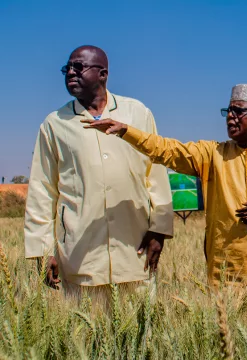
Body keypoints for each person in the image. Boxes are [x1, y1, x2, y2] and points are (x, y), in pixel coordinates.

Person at [84, 84, 247, 290]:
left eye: (238, 111)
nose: (230, 117)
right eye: (228, 111)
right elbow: (167, 150)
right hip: (227, 267)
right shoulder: (212, 154)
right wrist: (127, 131)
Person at [24, 46, 173, 300]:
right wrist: (42, 248)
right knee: (86, 337)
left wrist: (159, 230)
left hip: (135, 251)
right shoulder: (54, 123)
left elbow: (156, 175)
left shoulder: (137, 113)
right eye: (67, 68)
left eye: (79, 67)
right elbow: (43, 188)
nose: (71, 72)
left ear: (103, 74)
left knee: (139, 336)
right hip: (80, 255)